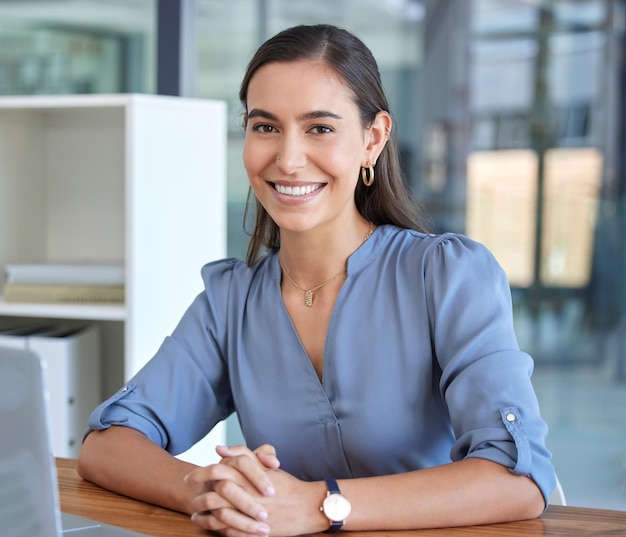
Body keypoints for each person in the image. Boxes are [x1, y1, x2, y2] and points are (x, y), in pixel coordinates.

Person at [78, 23, 556, 537]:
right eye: (265, 127)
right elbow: (107, 445)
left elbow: (519, 479)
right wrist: (218, 491)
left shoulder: (446, 276)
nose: (287, 159)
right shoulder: (230, 302)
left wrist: (317, 505)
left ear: (372, 139)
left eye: (319, 128)